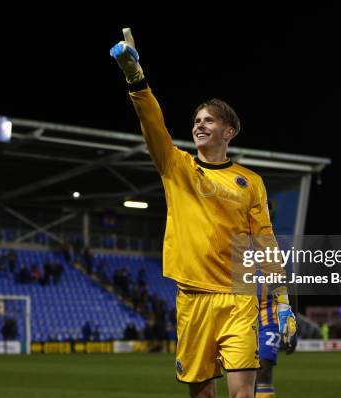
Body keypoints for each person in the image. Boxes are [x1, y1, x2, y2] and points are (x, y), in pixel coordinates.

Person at [111, 28, 296, 398]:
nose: (199, 125)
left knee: (244, 393)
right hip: (192, 298)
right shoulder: (176, 167)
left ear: (228, 132)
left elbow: (265, 243)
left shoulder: (250, 182)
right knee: (202, 394)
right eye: (196, 120)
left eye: (208, 120)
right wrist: (136, 78)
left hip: (238, 297)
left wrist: (282, 299)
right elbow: (153, 126)